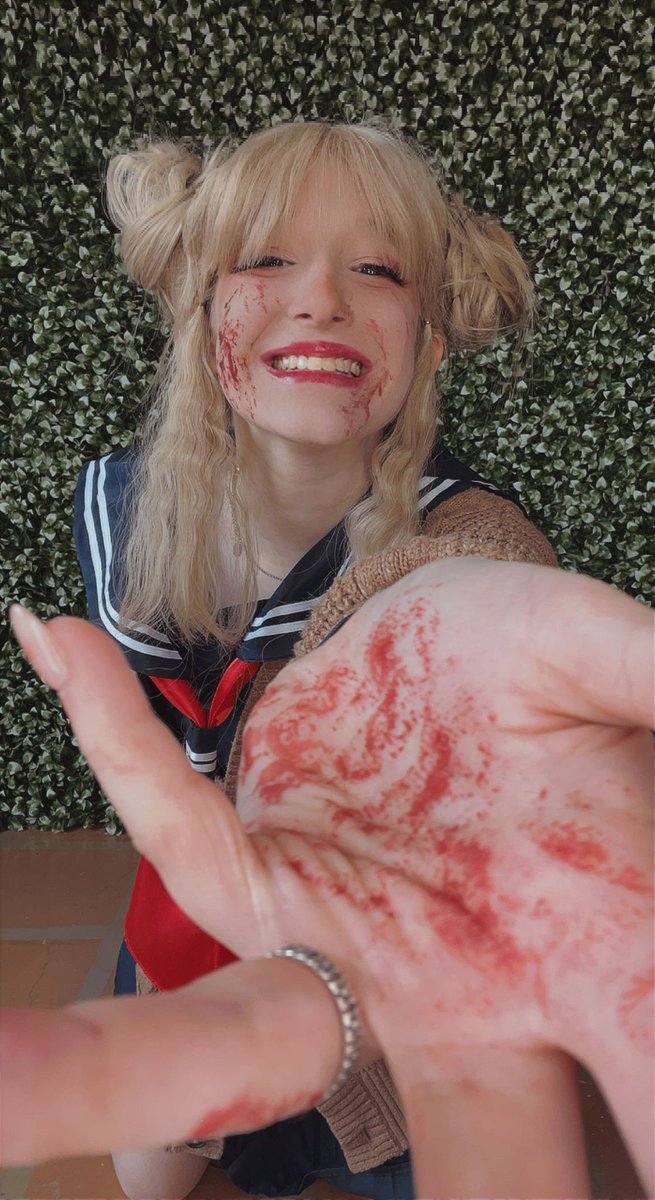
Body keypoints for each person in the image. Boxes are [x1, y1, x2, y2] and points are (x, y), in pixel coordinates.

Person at [71, 118, 560, 1199]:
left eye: (376, 270)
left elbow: (499, 597)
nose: (322, 299)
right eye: (266, 259)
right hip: (197, 904)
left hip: (381, 947)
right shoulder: (123, 510)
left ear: (429, 337)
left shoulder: (466, 537)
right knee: (148, 1175)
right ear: (203, 309)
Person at [5, 557, 654, 1200]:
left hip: (378, 987)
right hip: (206, 888)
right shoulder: (134, 519)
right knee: (151, 1172)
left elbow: (472, 537)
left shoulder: (442, 513)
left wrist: (429, 624)